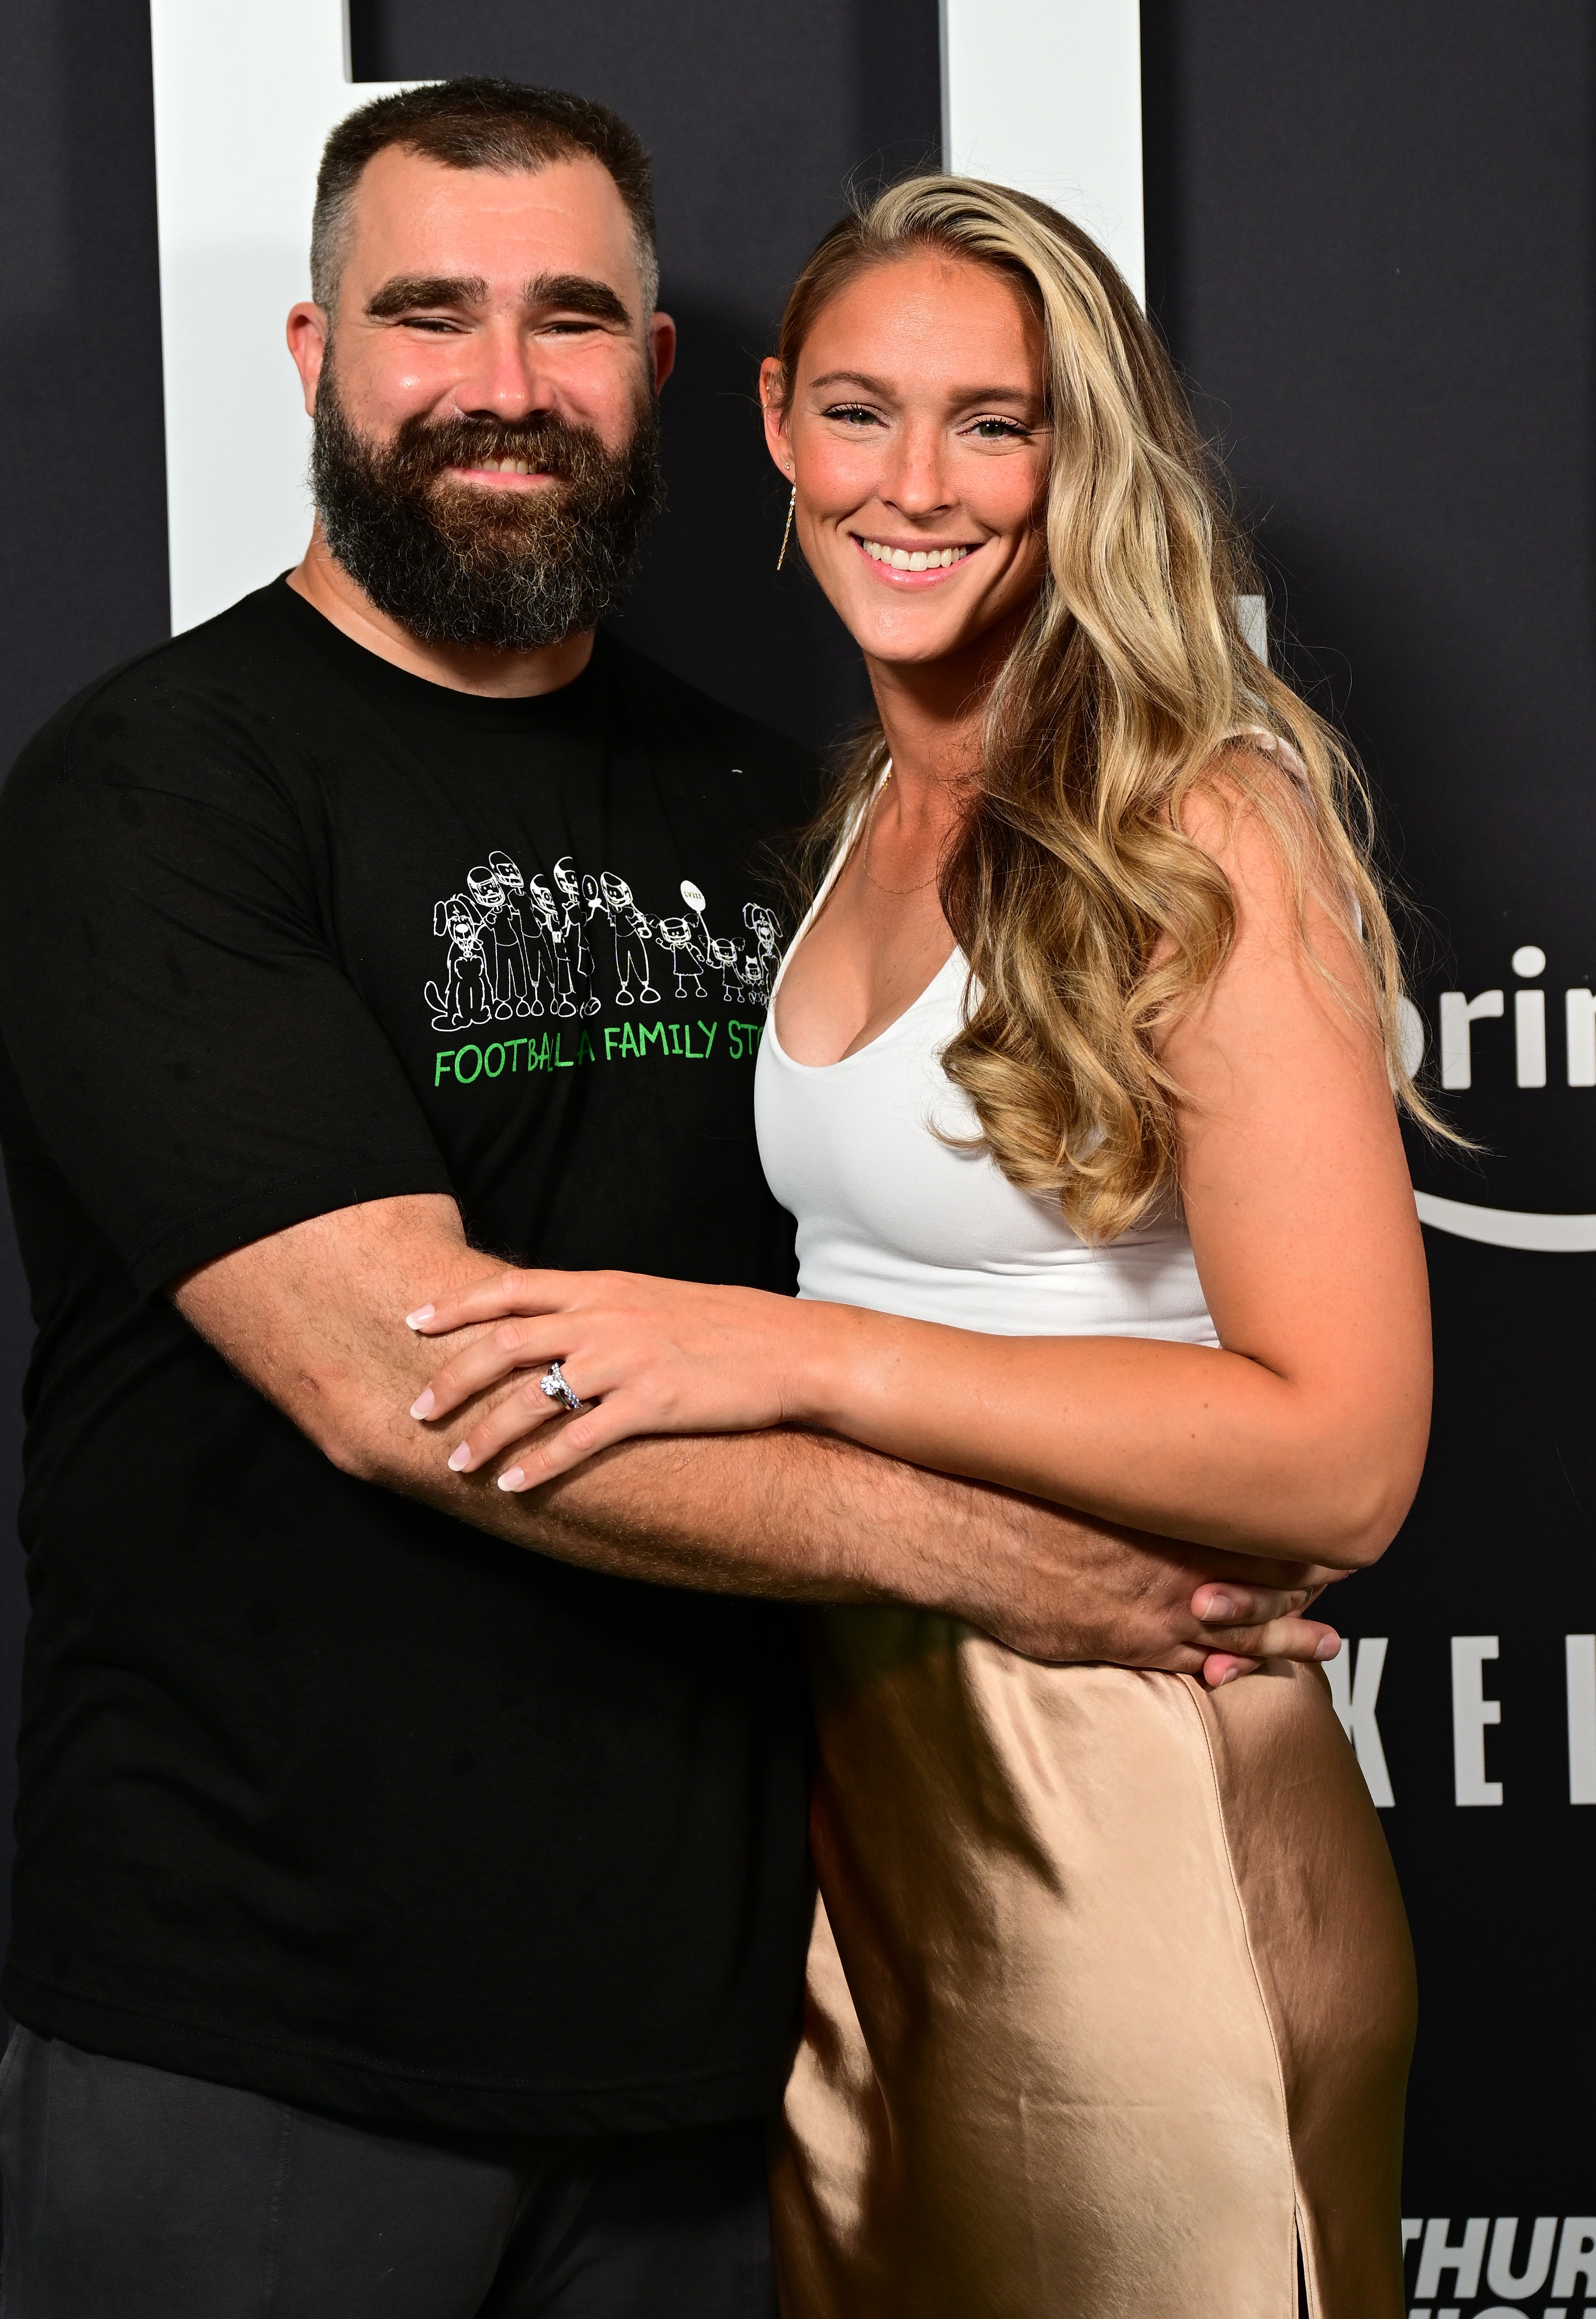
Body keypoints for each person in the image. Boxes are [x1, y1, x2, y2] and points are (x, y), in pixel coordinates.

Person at [0, 81, 1341, 2319]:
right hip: (273, 2028)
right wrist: (1019, 1572)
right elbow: (406, 1380)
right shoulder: (158, 788)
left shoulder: (782, 809)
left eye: (570, 318)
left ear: (666, 376)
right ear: (319, 363)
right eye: (430, 317)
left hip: (732, 2047)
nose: (504, 387)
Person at [409, 177, 1428, 2316]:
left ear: (1091, 457)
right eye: (864, 412)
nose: (917, 487)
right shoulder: (864, 801)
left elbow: (1344, 1457)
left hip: (1128, 1768)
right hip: (864, 1786)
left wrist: (796, 1359)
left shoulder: (1198, 820)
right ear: (775, 424)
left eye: (996, 425)